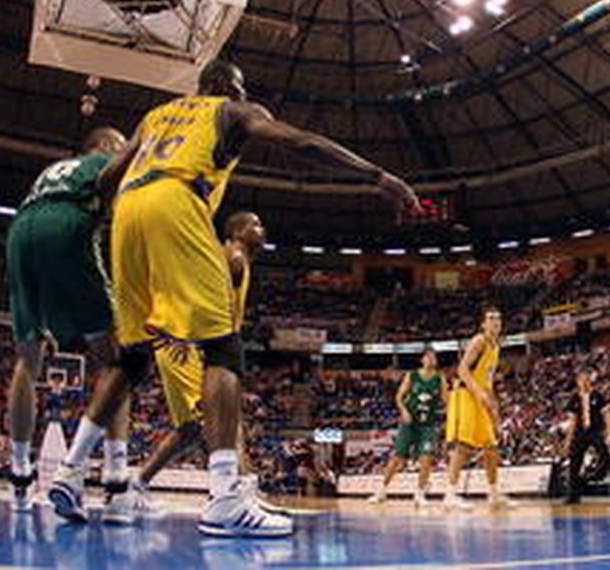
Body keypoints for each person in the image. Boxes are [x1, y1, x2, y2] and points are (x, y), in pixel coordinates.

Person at [47, 60, 419, 537]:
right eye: (240, 88)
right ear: (228, 87)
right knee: (223, 349)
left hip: (127, 213)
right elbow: (301, 142)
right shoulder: (231, 111)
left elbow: (106, 179)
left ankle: (70, 471)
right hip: (176, 200)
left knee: (132, 358)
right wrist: (376, 176)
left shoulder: (156, 116)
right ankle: (224, 497)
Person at [3, 127, 131, 514]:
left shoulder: (54, 170)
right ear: (104, 146)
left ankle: (20, 472)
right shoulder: (104, 161)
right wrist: (141, 146)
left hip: (20, 231)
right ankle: (115, 476)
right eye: (118, 144)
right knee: (117, 362)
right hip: (65, 226)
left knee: (28, 360)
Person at [113, 211, 268, 522]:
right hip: (188, 344)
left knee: (190, 430)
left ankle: (134, 487)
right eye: (255, 224)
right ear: (237, 231)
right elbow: (192, 288)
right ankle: (234, 494)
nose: (262, 230)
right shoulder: (233, 255)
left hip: (189, 342)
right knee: (220, 417)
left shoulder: (237, 259)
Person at [444, 307, 515, 511]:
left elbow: (488, 383)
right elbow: (462, 369)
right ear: (483, 324)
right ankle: (450, 494)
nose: (496, 322)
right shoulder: (479, 341)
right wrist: (478, 392)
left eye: (498, 318)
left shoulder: (495, 347)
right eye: (491, 319)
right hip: (465, 394)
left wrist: (495, 412)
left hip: (480, 396)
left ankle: (493, 493)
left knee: (491, 447)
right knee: (463, 446)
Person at [369, 348, 447, 506]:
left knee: (426, 458)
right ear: (422, 360)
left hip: (428, 424)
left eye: (434, 358)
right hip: (409, 423)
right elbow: (399, 397)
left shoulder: (440, 378)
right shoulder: (412, 375)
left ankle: (419, 494)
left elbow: (447, 401)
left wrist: (448, 418)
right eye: (429, 357)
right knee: (397, 457)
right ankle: (382, 491)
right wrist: (404, 411)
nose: (432, 360)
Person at [563, 369, 610, 504]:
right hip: (580, 433)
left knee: (607, 460)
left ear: (589, 381)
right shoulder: (574, 398)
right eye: (581, 380)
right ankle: (573, 496)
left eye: (586, 379)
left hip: (595, 431)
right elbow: (572, 421)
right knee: (574, 463)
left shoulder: (598, 396)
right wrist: (568, 439)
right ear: (578, 383)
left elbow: (607, 415)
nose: (584, 382)